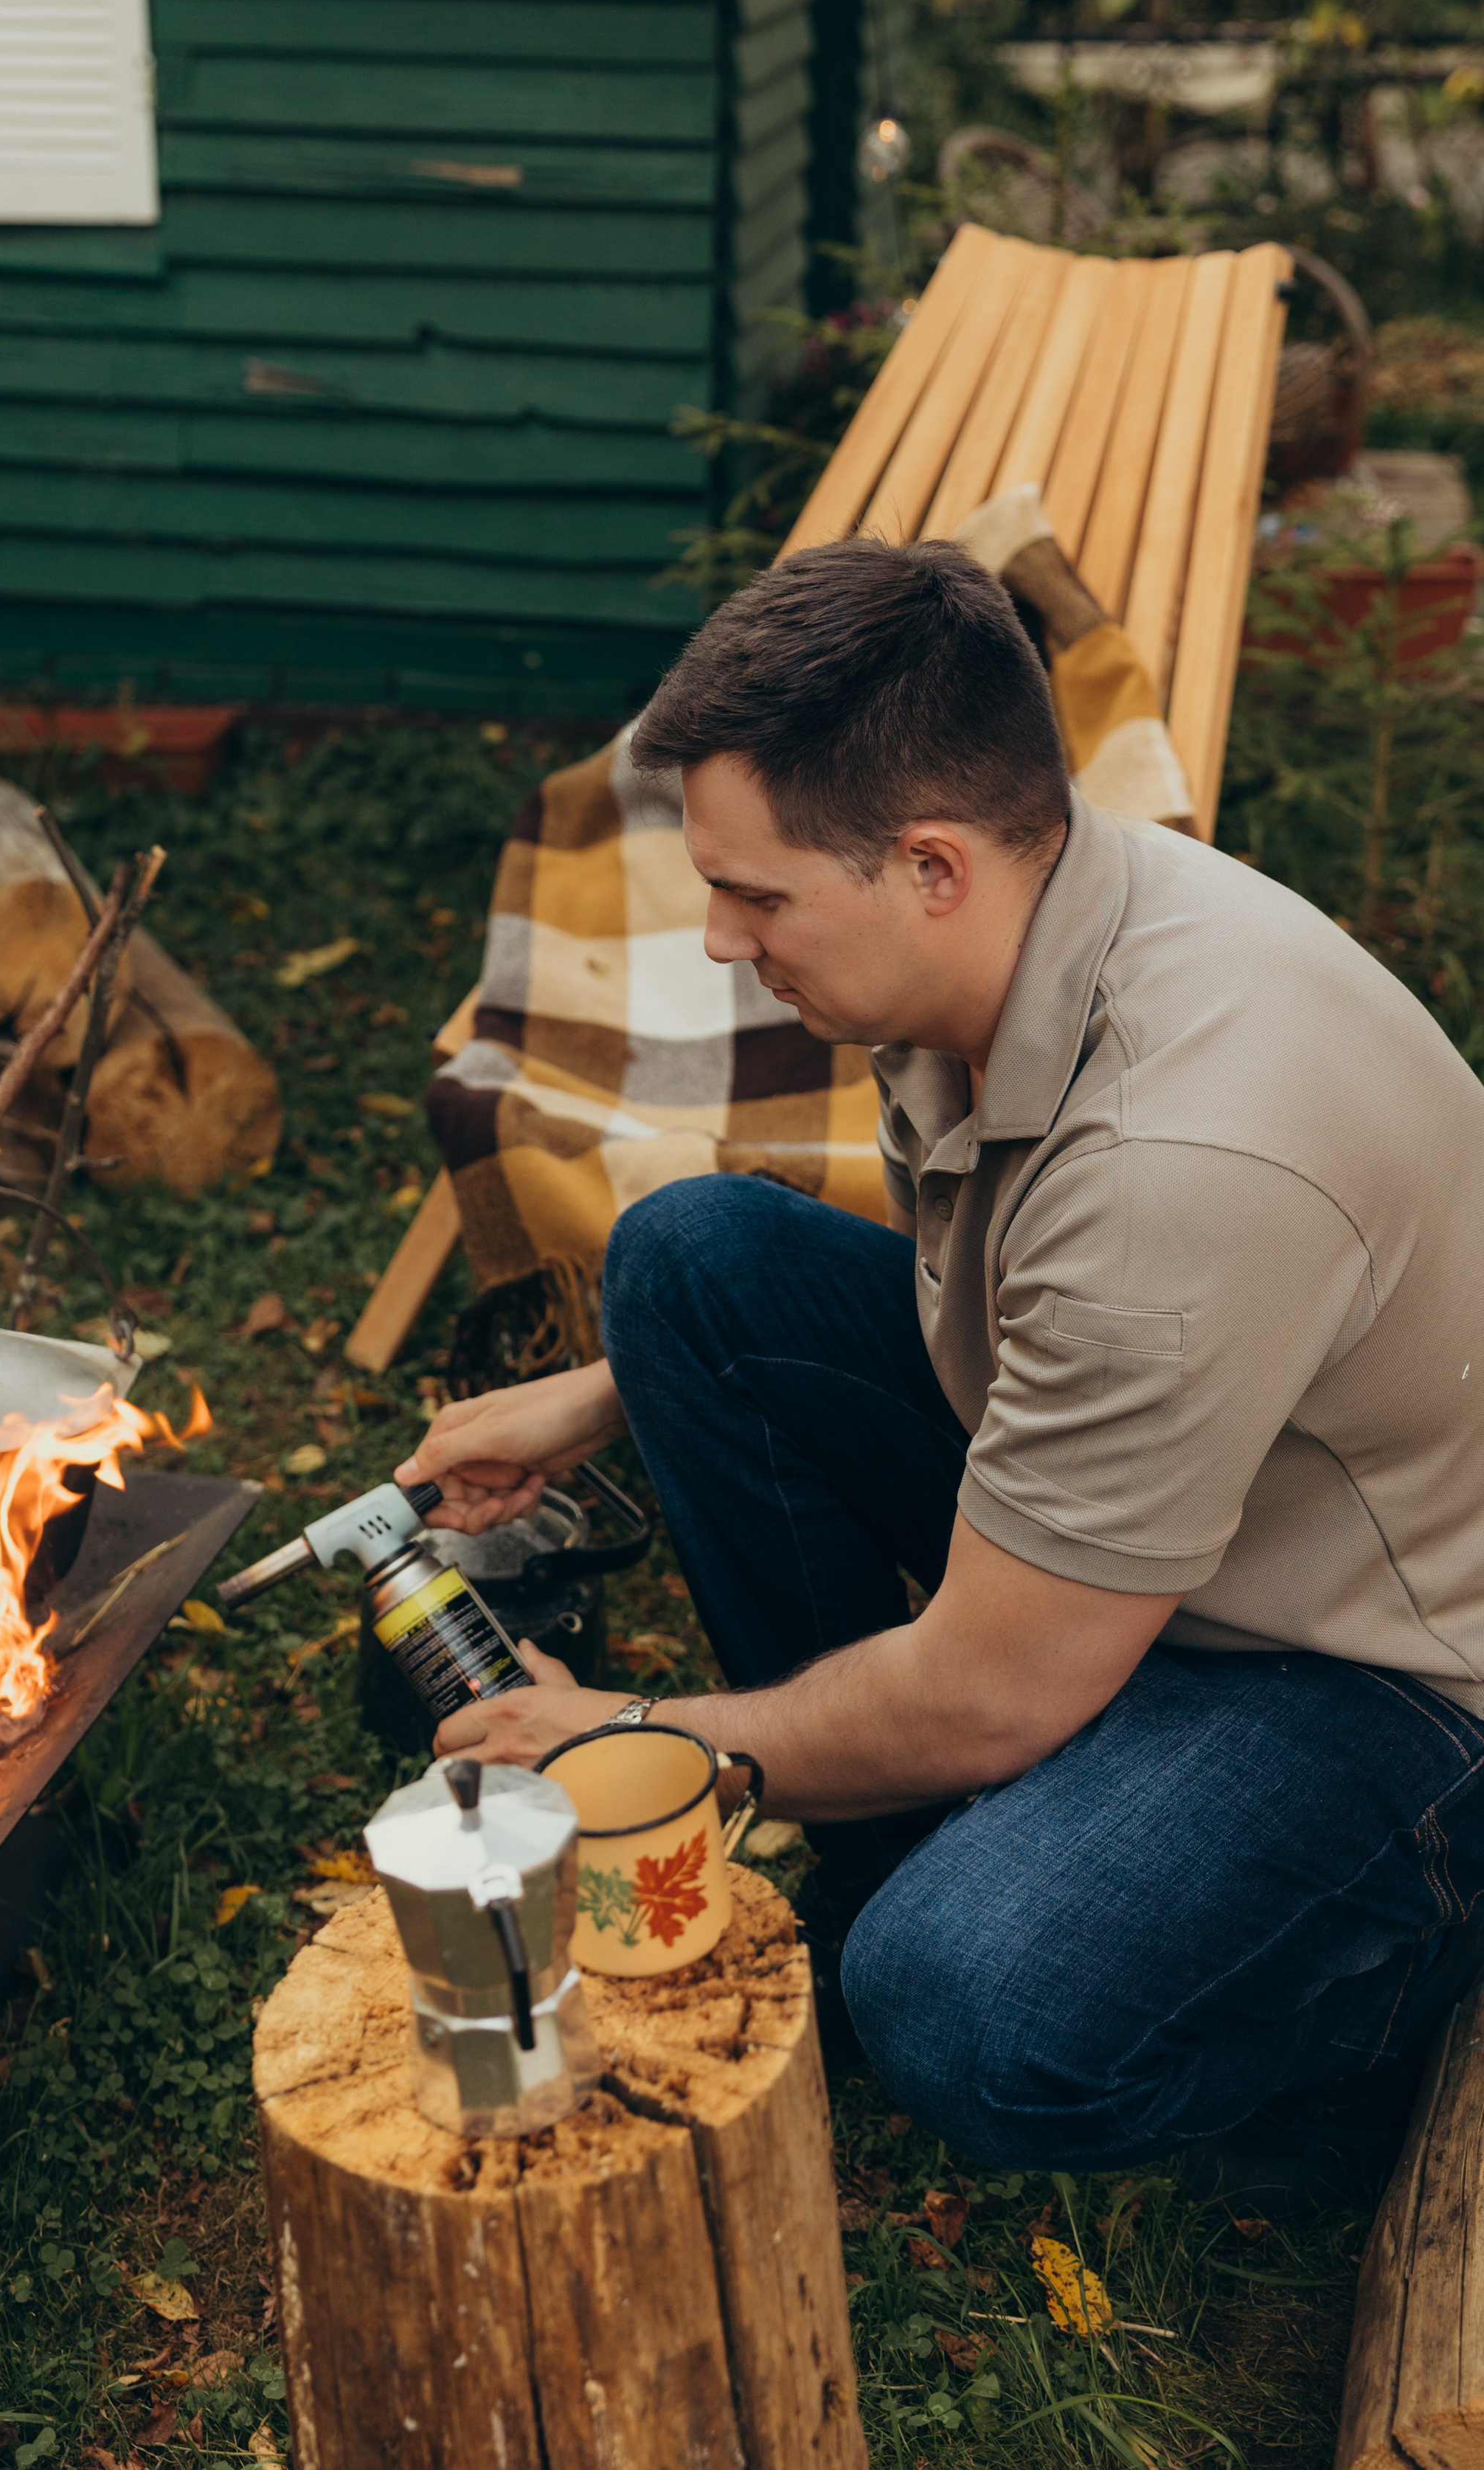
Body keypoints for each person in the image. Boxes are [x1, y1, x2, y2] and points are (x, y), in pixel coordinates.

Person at [397, 535, 1484, 2180]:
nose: (713, 937)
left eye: (752, 894)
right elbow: (995, 1291)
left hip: (1370, 1668)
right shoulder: (1017, 928)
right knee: (684, 1263)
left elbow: (992, 1690)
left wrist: (631, 1740)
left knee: (958, 2003)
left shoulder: (1178, 1164)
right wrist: (606, 1388)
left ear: (927, 866)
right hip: (1174, 1525)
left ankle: (1356, 2013)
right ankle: (887, 1826)